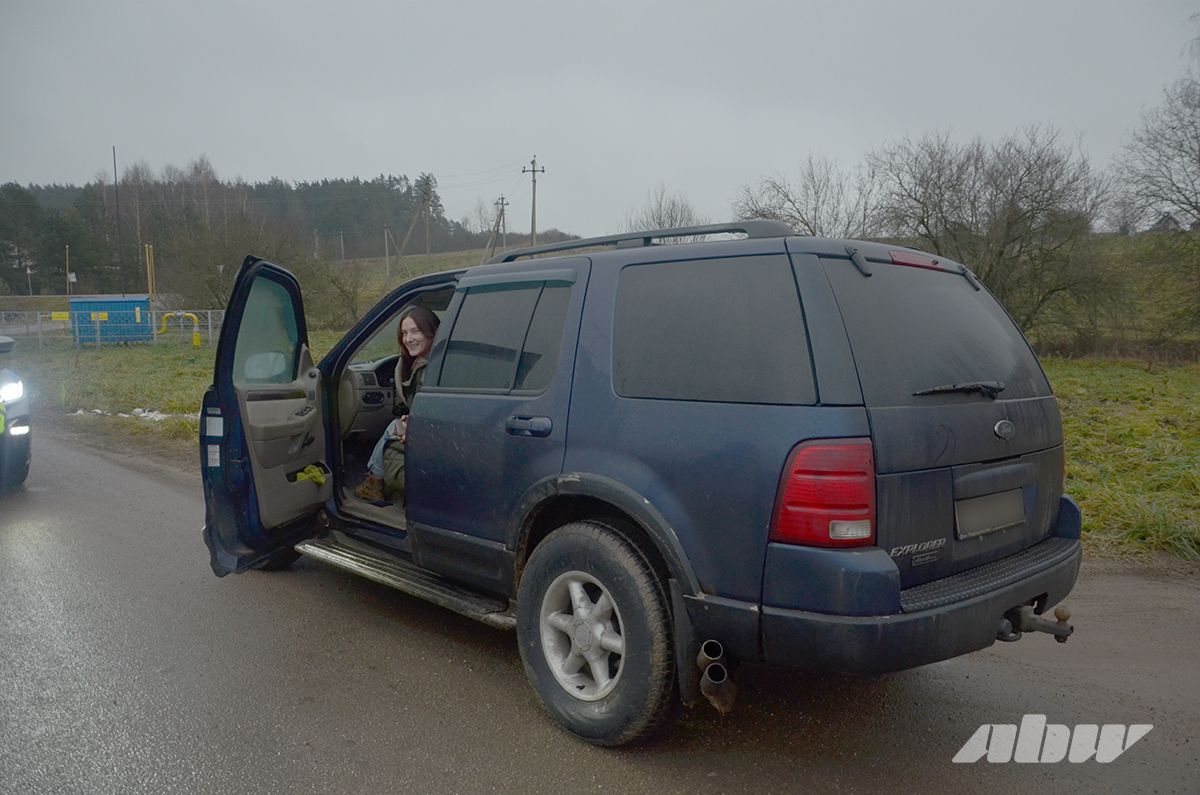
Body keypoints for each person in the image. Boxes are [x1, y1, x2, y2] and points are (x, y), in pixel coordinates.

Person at [354, 305, 440, 502]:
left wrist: (415, 427)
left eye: (415, 331)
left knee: (393, 427)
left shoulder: (427, 370)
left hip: (431, 435)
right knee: (396, 424)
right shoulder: (433, 363)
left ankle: (374, 482)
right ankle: (374, 481)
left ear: (431, 332)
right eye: (404, 333)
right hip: (430, 429)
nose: (408, 338)